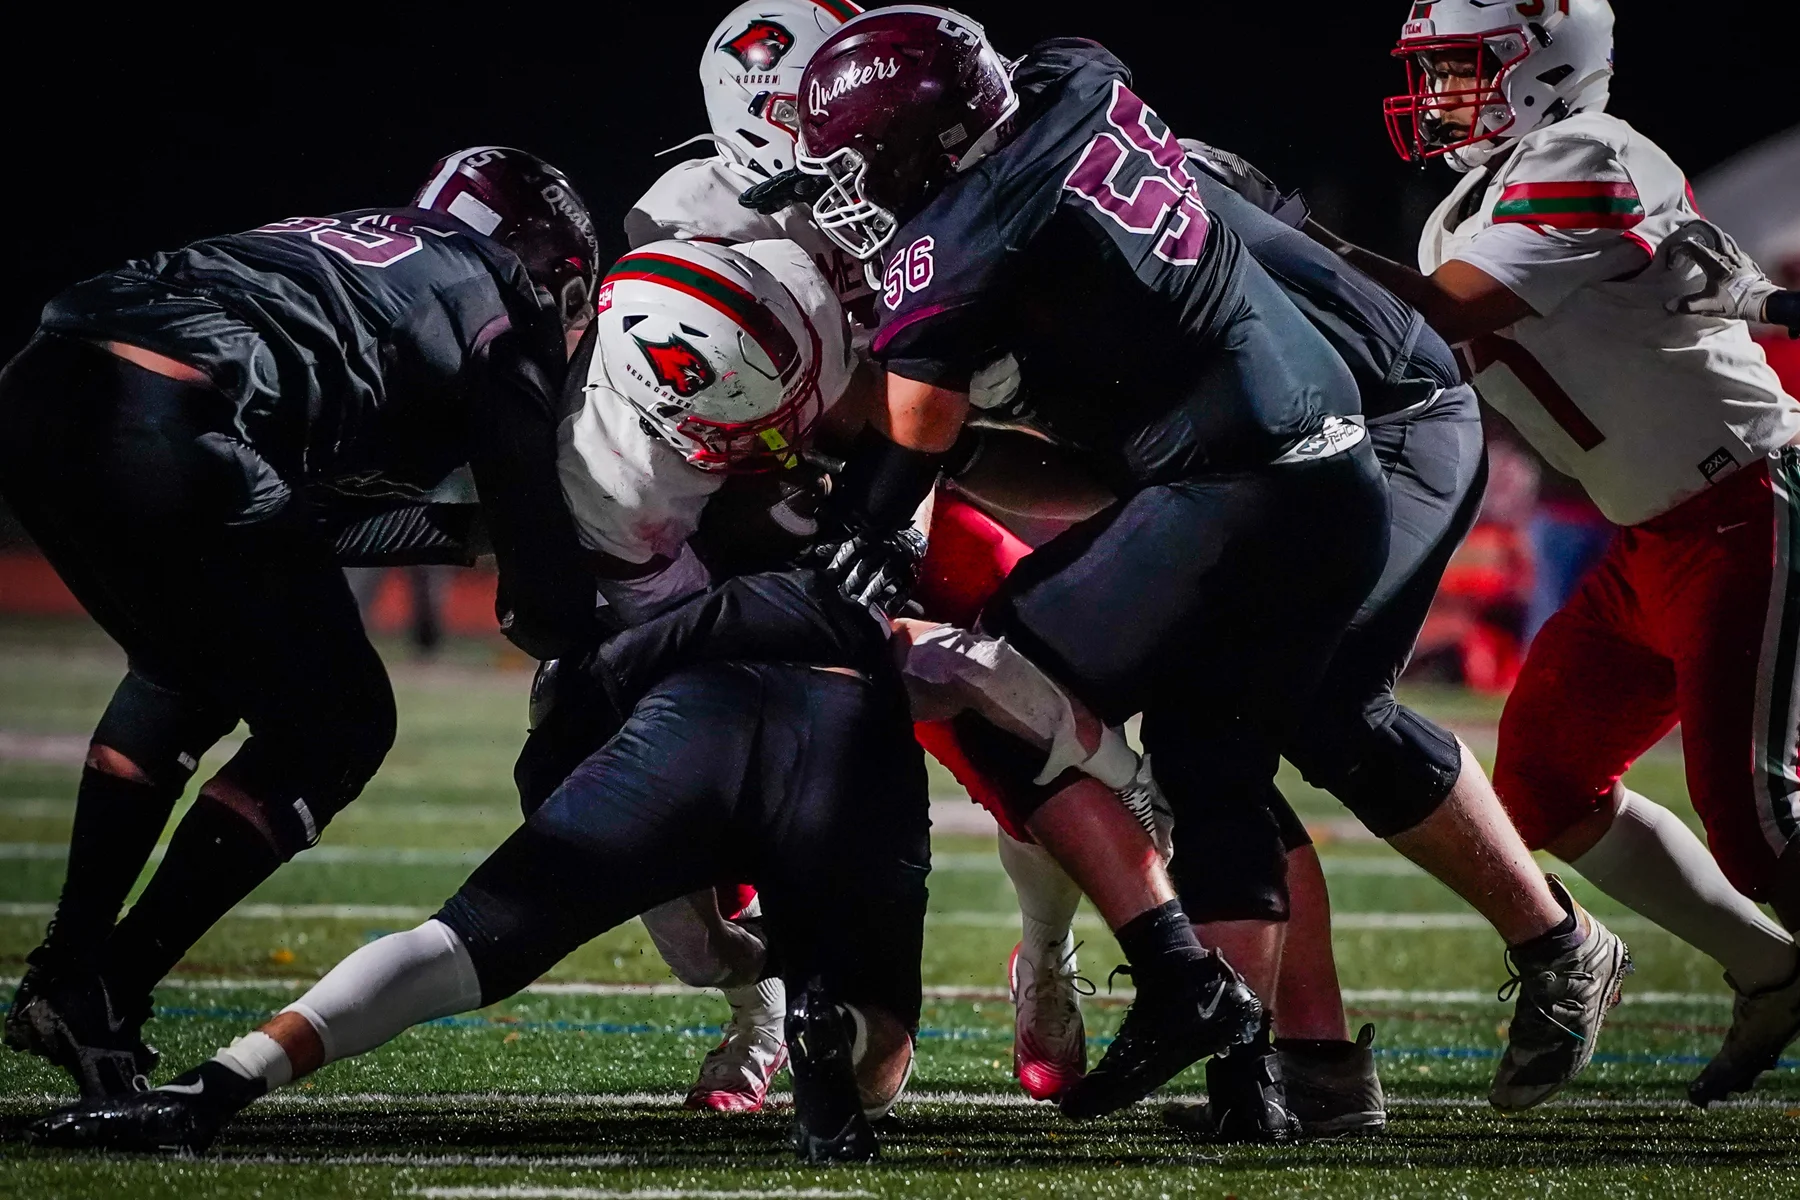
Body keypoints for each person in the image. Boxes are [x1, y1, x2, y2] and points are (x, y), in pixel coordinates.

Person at [783, 6, 1396, 1131]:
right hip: (1340, 475)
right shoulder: (1076, 73)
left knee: (985, 692)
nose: (848, 185)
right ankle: (1248, 1084)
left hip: (1233, 489)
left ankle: (1175, 976)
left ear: (923, 144)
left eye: (859, 159)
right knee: (1216, 767)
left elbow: (912, 434)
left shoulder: (960, 235)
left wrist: (860, 537)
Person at [0, 148, 606, 1100]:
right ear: (559, 273)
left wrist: (469, 532)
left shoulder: (376, 259)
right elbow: (551, 613)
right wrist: (581, 556)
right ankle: (105, 980)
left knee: (185, 664)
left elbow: (308, 516)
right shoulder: (507, 308)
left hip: (43, 385)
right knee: (341, 724)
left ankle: (72, 968)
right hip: (178, 414)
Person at [1318, 0, 1800, 1105]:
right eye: (1431, 71)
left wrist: (1300, 241)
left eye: (1461, 69)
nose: (1437, 94)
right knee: (1543, 777)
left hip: (1747, 502)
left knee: (1760, 824)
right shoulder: (1469, 202)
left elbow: (1433, 317)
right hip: (1654, 532)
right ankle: (1772, 972)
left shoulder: (1583, 154)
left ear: (1544, 66)